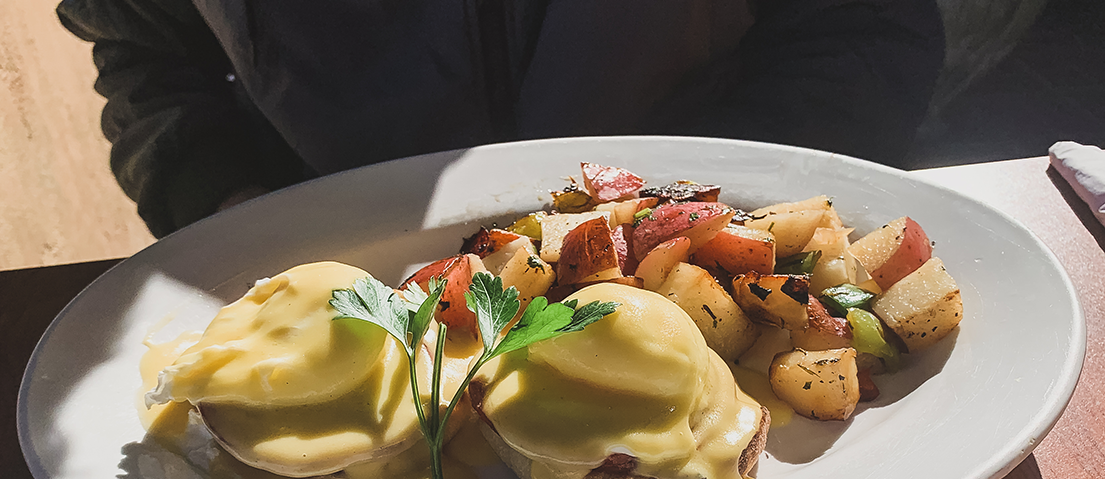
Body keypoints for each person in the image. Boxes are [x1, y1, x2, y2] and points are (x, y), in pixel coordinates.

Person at [57, 0, 945, 238]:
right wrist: (222, 205)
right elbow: (144, 55)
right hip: (349, 294)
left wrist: (746, 225)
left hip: (710, 247)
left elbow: (859, 28)